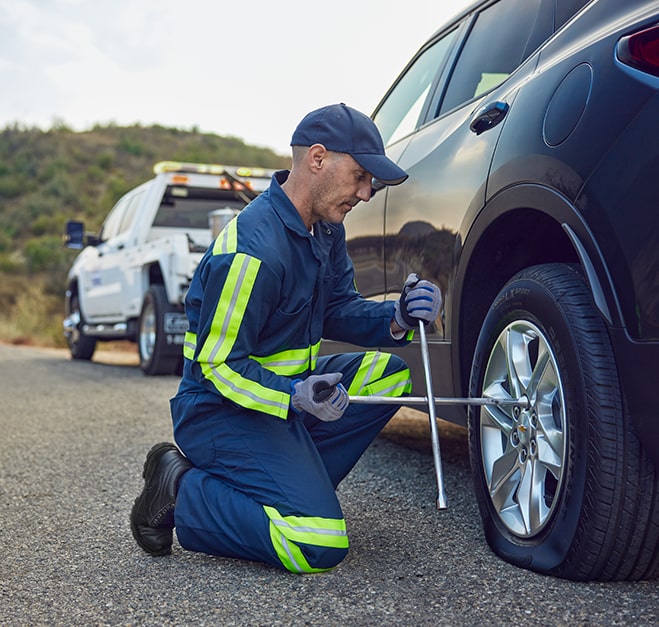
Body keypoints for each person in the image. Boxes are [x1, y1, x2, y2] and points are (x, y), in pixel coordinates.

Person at [130, 103, 442, 573]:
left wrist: (396, 316)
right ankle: (180, 488)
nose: (366, 192)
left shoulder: (324, 229)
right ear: (317, 159)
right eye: (359, 176)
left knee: (387, 377)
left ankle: (291, 485)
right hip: (222, 411)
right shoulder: (251, 251)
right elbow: (219, 367)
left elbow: (336, 307)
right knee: (316, 543)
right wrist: (294, 397)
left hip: (289, 401)